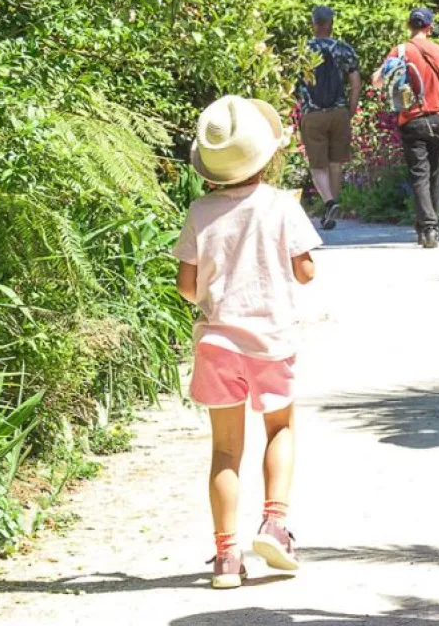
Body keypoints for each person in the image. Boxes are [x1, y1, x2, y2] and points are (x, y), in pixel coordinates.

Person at [173, 95, 321, 589]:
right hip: (271, 342)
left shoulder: (200, 211)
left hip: (217, 342)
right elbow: (305, 271)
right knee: (279, 428)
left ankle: (225, 558)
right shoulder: (281, 205)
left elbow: (187, 287)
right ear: (266, 157)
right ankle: (275, 524)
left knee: (224, 451)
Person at [373, 7, 439, 249]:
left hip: (411, 120)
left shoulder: (401, 51)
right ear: (428, 27)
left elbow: (376, 80)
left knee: (419, 175)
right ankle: (431, 228)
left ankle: (427, 227)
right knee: (435, 173)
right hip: (438, 120)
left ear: (410, 26)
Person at [297, 6, 362, 231]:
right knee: (335, 163)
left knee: (317, 166)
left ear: (313, 24)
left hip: (312, 114)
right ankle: (331, 212)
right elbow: (355, 83)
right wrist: (350, 110)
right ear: (331, 24)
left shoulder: (302, 51)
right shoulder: (344, 49)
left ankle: (329, 203)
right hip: (339, 113)